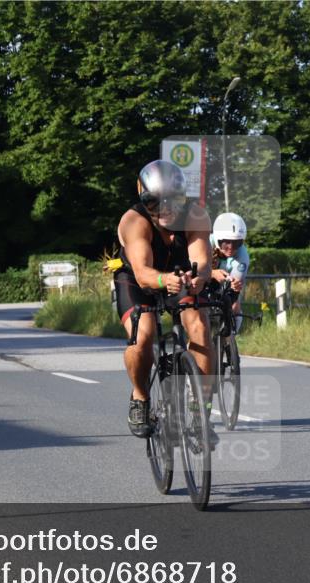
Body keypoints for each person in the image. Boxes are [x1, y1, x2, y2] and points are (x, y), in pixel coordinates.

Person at [113, 160, 216, 438]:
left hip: (181, 277)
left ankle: (200, 410)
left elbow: (202, 262)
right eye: (153, 201)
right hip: (138, 281)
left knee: (200, 327)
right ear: (142, 198)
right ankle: (140, 397)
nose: (165, 208)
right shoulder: (134, 221)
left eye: (174, 200)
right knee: (142, 335)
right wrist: (163, 280)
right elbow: (143, 272)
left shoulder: (196, 216)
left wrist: (200, 279)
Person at [210, 212, 250, 334]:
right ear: (217, 239)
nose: (231, 247)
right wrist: (211, 273)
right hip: (205, 278)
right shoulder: (205, 243)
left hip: (227, 280)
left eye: (237, 243)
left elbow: (234, 290)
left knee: (234, 306)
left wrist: (235, 287)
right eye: (226, 242)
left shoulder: (242, 255)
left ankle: (230, 342)